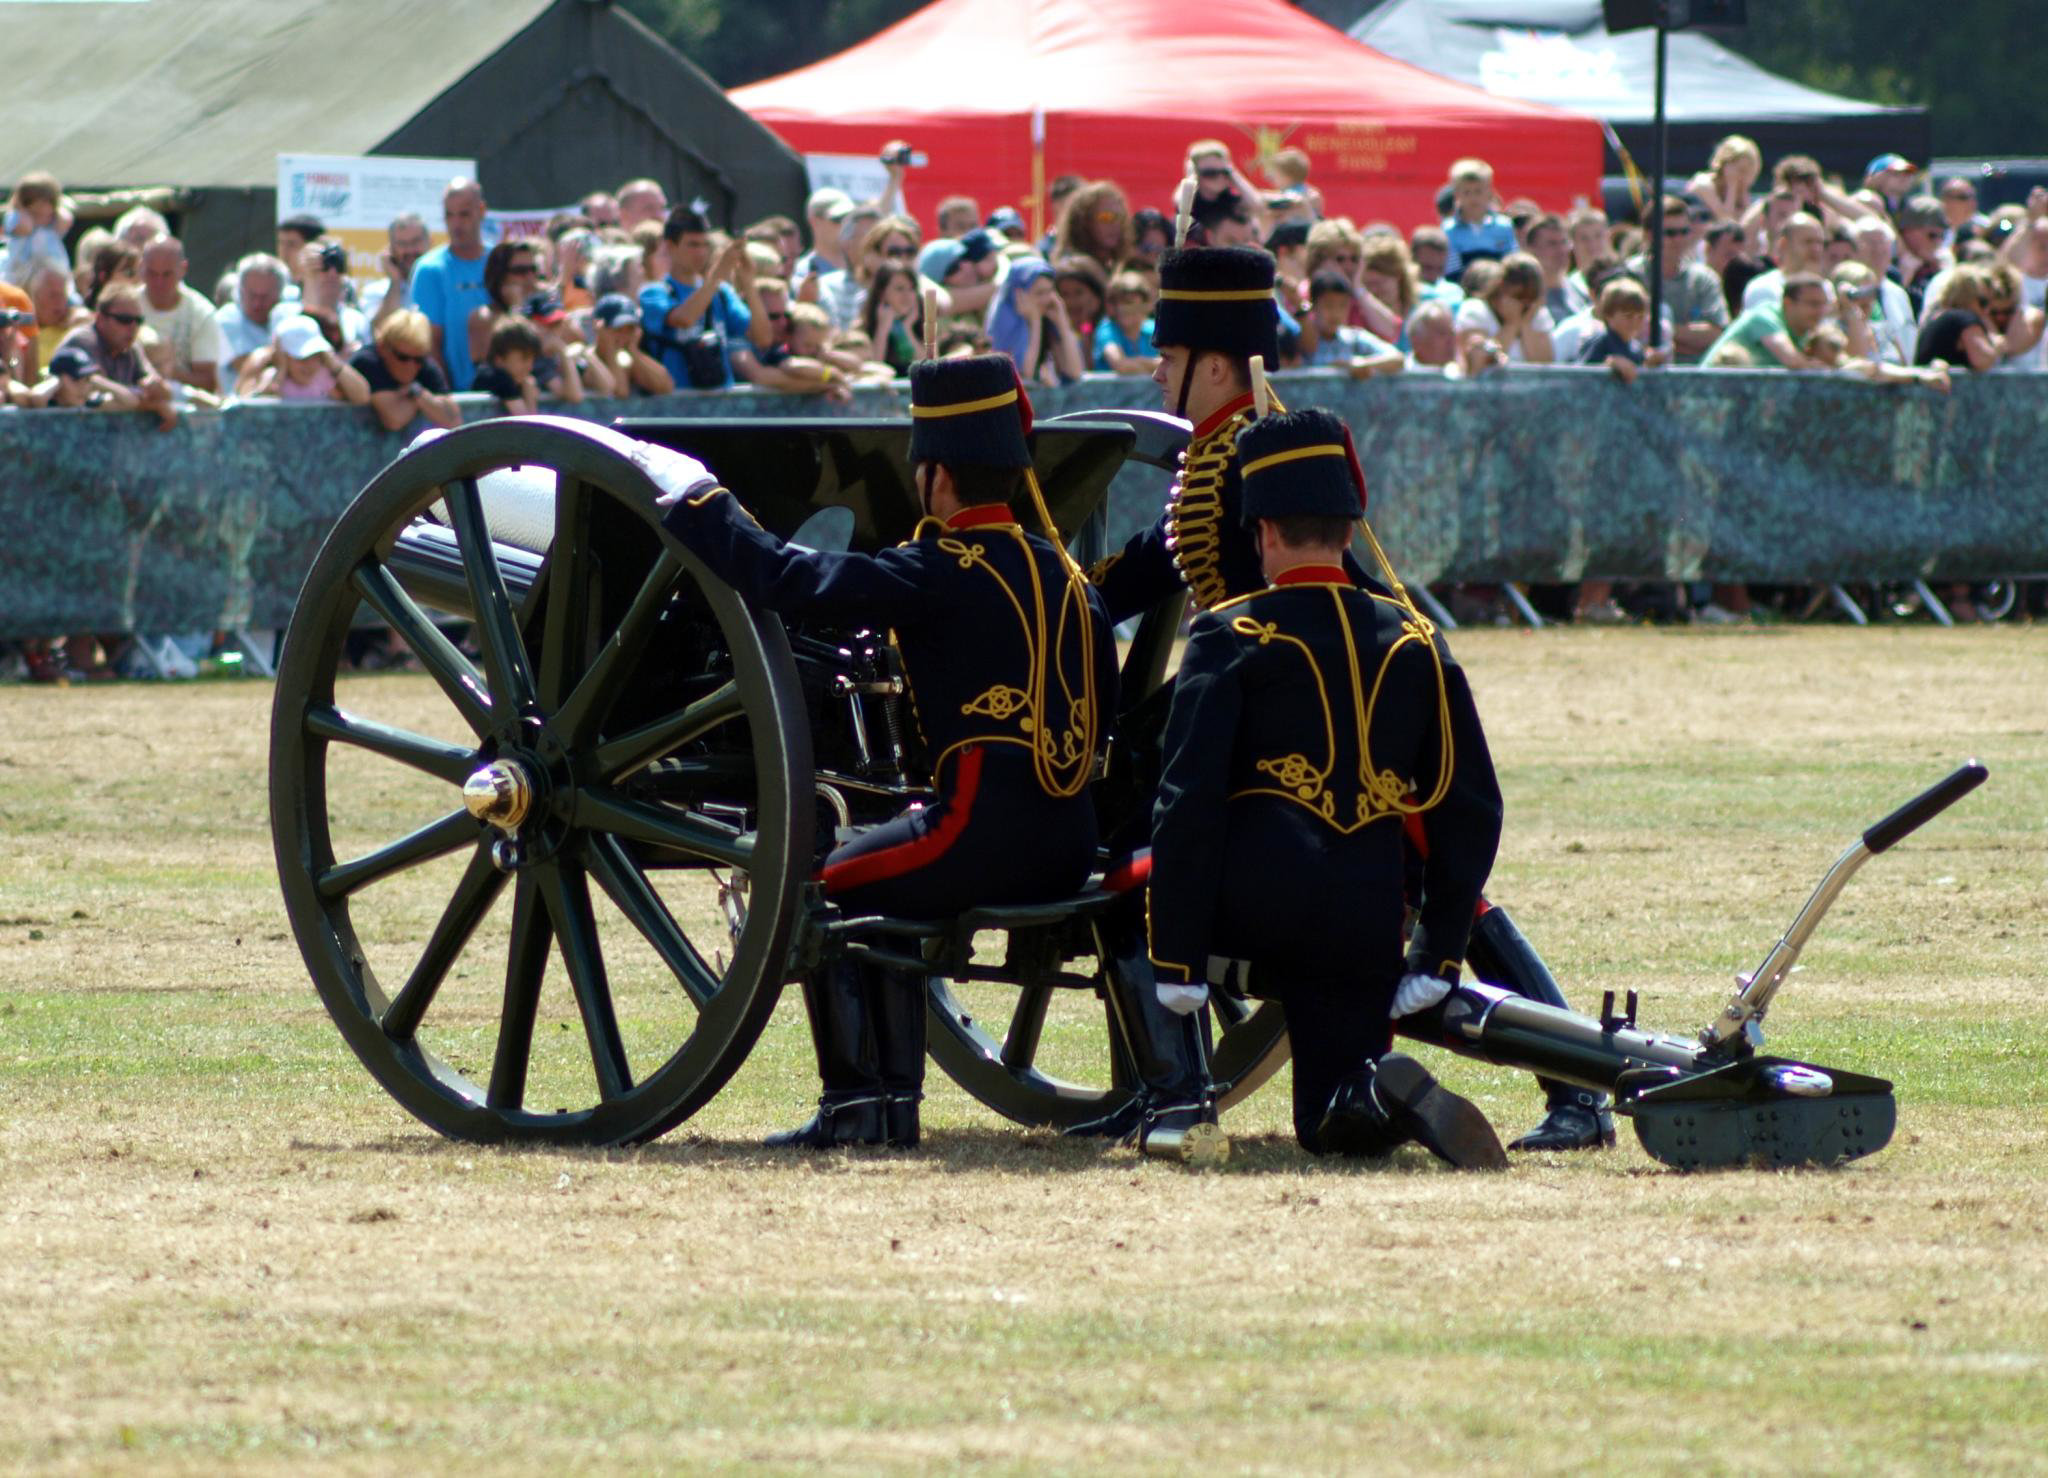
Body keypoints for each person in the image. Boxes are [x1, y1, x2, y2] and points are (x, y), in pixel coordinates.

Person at [655, 354, 1116, 1150]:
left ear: (934, 476)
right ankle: (888, 1103)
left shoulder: (937, 567)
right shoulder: (1073, 579)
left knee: (825, 883)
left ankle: (860, 1108)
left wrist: (702, 505)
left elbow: (788, 579)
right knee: (885, 869)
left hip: (974, 836)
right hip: (1072, 841)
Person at [1145, 406, 1506, 1166]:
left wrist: (1177, 959)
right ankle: (1380, 1093)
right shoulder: (1414, 635)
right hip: (1370, 913)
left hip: (1257, 908)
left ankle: (1179, 1098)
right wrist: (1437, 949)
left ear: (1264, 530)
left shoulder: (1229, 632)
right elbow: (1468, 807)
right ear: (1349, 531)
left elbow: (1188, 803)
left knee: (1115, 898)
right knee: (1328, 1121)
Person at [639, 206, 774, 390]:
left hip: (720, 403)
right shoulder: (654, 292)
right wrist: (716, 277)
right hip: (674, 405)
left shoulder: (722, 293)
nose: (701, 253)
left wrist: (748, 283)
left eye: (705, 245)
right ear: (670, 246)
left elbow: (763, 338)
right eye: (693, 245)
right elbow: (684, 319)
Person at [409, 177, 492, 390]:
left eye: (464, 214)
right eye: (449, 215)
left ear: (481, 211)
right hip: (459, 399)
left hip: (507, 396)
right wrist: (451, 398)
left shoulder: (500, 261)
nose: (456, 224)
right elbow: (430, 343)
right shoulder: (430, 269)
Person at [1627, 197, 1729, 363]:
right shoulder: (1631, 275)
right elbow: (1627, 333)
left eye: (1684, 232)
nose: (1678, 240)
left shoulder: (1704, 279)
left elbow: (1716, 334)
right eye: (1670, 233)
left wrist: (1665, 333)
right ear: (1648, 235)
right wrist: (1687, 338)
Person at [351, 309, 461, 432]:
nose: (411, 366)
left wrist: (416, 392)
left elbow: (453, 420)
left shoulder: (425, 364)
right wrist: (425, 401)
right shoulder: (367, 362)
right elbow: (394, 419)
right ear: (383, 348)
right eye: (403, 357)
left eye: (418, 359)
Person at [136, 238, 223, 393]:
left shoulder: (201, 313)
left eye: (167, 274)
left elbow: (208, 381)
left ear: (183, 269)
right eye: (152, 273)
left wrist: (168, 371)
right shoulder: (126, 305)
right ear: (141, 267)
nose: (158, 282)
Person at [983, 257, 1084, 387]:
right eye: (1039, 293)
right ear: (1018, 294)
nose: (1047, 299)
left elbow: (1074, 372)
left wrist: (1063, 324)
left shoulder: (1049, 318)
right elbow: (1026, 374)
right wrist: (1035, 323)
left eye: (1049, 291)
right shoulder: (1002, 324)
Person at [1704, 273, 1830, 370]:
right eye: (1814, 304)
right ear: (1788, 303)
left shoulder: (1803, 331)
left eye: (1824, 305)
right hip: (1708, 394)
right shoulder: (1764, 317)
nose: (1821, 311)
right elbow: (1792, 361)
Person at [246, 314, 372, 405]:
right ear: (282, 357)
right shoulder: (272, 377)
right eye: (299, 357)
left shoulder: (324, 378)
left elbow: (362, 398)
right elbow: (258, 409)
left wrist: (334, 364)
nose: (309, 364)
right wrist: (280, 371)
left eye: (315, 355)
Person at [1454, 252, 1554, 363]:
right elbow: (1480, 364)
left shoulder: (1537, 313)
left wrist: (1525, 325)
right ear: (1500, 288)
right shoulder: (1475, 310)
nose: (1524, 305)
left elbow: (1544, 363)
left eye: (1530, 299)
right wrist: (1511, 324)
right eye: (1519, 297)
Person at [1301, 272, 1402, 377]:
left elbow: (1397, 358)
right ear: (1313, 305)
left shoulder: (1355, 339)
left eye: (1342, 305)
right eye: (1329, 305)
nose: (1336, 313)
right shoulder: (1302, 340)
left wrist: (1363, 364)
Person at [212, 253, 291, 378]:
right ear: (240, 290)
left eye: (264, 297)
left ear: (280, 295)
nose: (257, 304)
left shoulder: (288, 316)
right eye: (252, 295)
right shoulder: (225, 319)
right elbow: (246, 367)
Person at [1914, 265, 2002, 373]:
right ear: (1966, 296)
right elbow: (1982, 360)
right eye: (1983, 302)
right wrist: (1998, 347)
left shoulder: (1936, 317)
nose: (1987, 311)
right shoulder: (1962, 318)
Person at [587, 292, 674, 396]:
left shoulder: (629, 358)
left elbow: (666, 387)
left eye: (630, 329)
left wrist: (633, 351)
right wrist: (609, 346)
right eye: (618, 329)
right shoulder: (587, 359)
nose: (624, 336)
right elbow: (620, 391)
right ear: (600, 329)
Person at [1441, 158, 1516, 277]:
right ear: (1456, 194)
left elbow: (1512, 261)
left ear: (1489, 192)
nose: (1473, 198)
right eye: (1467, 192)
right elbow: (1451, 269)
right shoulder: (1449, 229)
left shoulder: (1504, 226)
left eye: (1478, 191)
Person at [360, 213, 432, 328]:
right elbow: (379, 332)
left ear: (429, 243)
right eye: (402, 244)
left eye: (415, 242)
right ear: (391, 249)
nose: (410, 250)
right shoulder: (375, 292)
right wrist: (395, 282)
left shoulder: (444, 285)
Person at [5, 171, 73, 288]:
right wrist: (20, 208)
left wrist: (54, 212)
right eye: (37, 209)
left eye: (50, 203)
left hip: (53, 275)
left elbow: (66, 220)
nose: (45, 209)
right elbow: (26, 227)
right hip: (21, 277)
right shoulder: (16, 218)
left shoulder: (52, 224)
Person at [1094, 270, 1158, 374]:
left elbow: (1173, 364)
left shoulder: (1154, 329)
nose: (1120, 308)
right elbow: (1121, 365)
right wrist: (1155, 365)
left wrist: (1137, 364)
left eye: (1128, 302)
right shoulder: (1107, 329)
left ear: (1146, 304)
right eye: (1115, 303)